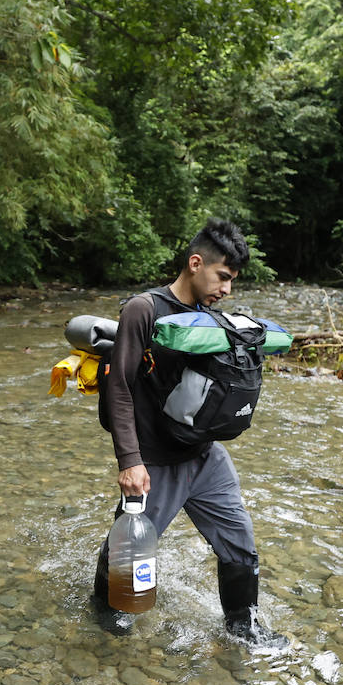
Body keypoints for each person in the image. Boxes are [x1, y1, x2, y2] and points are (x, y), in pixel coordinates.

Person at [91, 218, 286, 645]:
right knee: (127, 550)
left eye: (232, 281)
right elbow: (120, 387)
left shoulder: (211, 320)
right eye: (223, 277)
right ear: (195, 263)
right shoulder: (144, 309)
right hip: (155, 462)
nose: (227, 289)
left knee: (239, 541)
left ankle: (243, 628)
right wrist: (130, 461)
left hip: (205, 457)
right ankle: (104, 620)